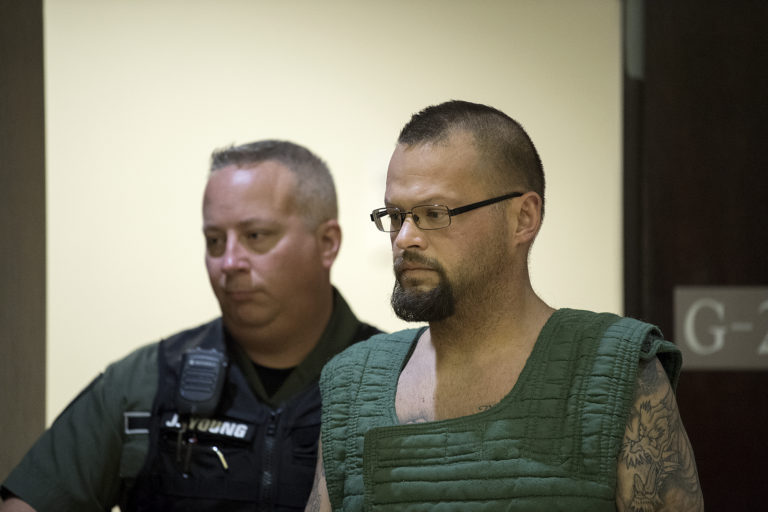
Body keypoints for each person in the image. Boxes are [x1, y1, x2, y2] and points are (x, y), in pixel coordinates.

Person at [305, 100, 704, 511]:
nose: (405, 237)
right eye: (395, 215)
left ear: (522, 218)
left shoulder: (616, 366)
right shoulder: (351, 382)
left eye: (434, 213)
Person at [0, 140, 380, 512]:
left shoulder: (398, 379)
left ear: (327, 243)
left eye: (255, 236)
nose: (228, 261)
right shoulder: (145, 381)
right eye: (214, 240)